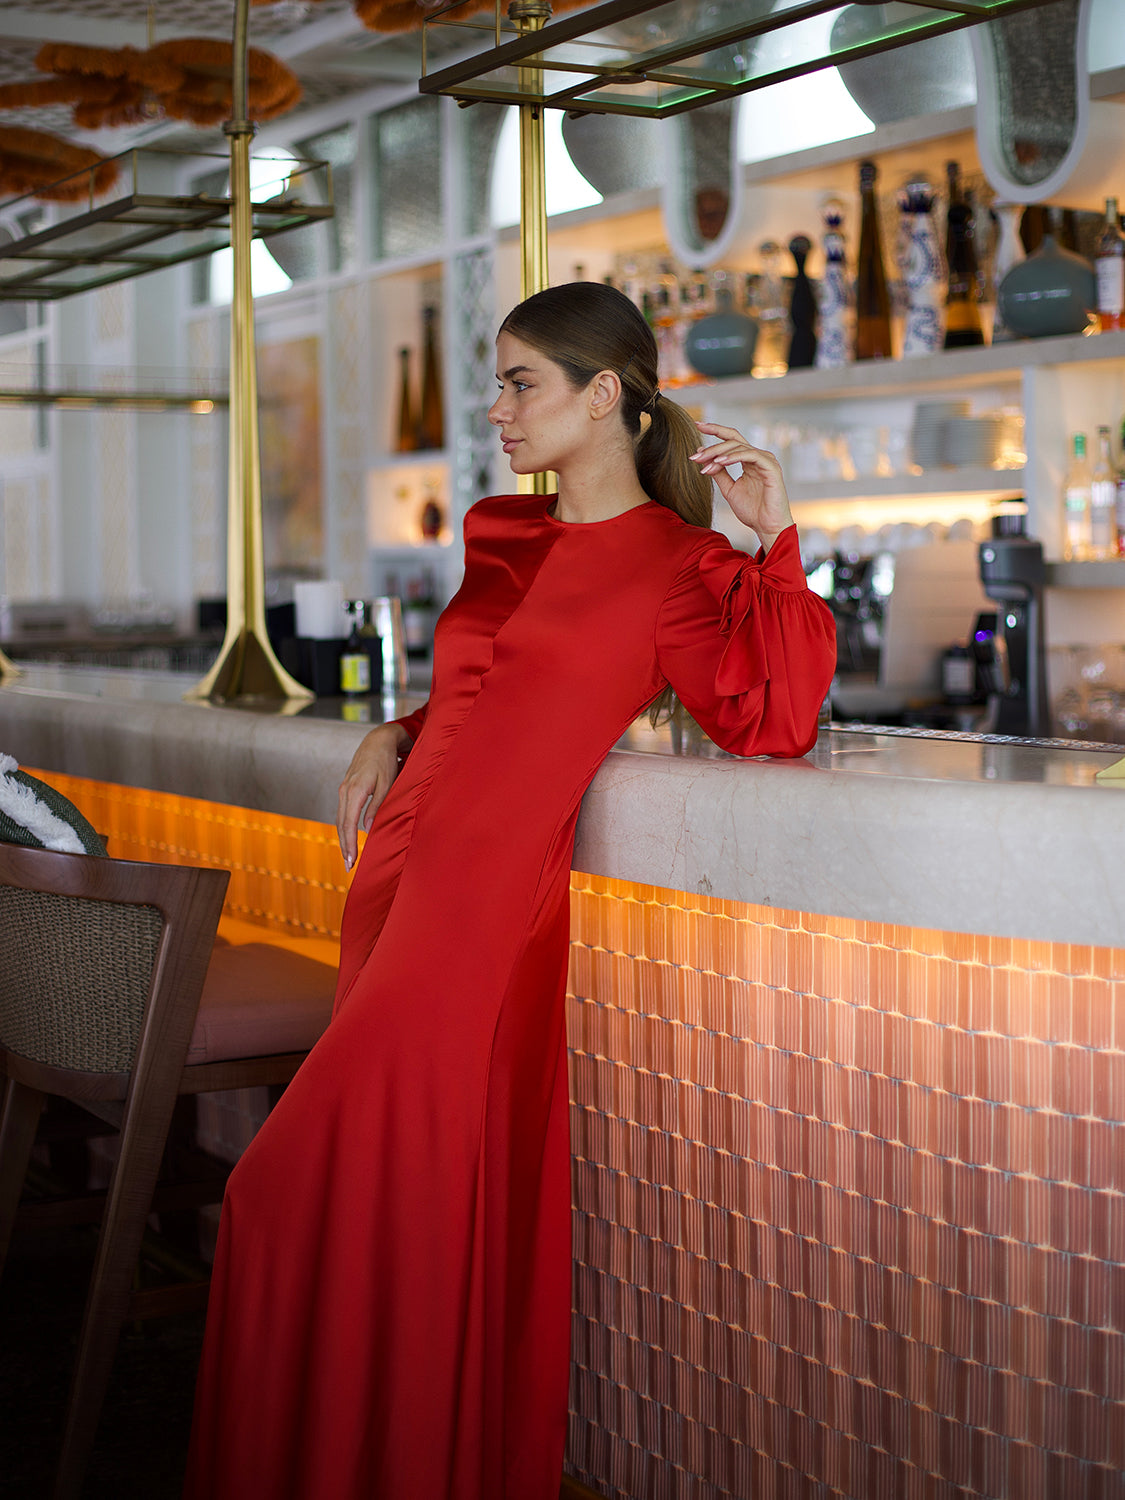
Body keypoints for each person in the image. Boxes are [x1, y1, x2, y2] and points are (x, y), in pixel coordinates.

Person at [183, 281, 835, 1500]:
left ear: (605, 397)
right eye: (497, 382)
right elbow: (494, 687)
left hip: (478, 916)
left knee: (279, 1193)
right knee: (379, 1202)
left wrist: (774, 538)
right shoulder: (504, 530)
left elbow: (774, 717)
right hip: (398, 878)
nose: (496, 409)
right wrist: (398, 724)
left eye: (519, 382)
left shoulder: (681, 564)